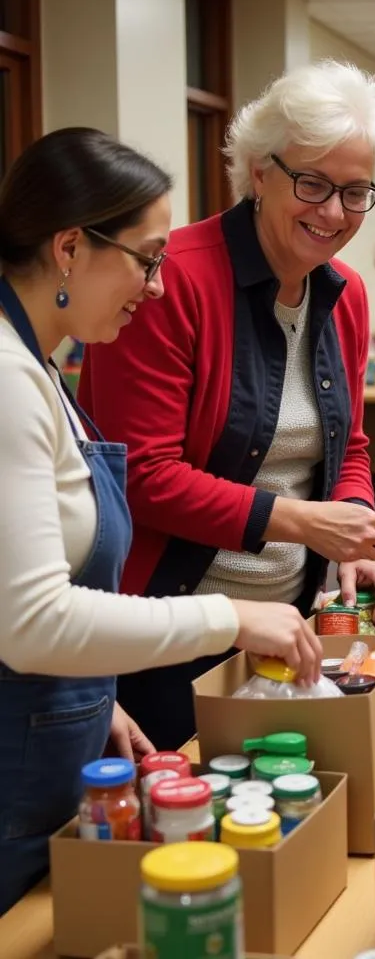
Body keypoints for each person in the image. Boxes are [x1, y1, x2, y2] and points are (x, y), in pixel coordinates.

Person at [0, 128, 320, 913]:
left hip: (56, 746)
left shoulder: (43, 365)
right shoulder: (7, 380)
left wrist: (94, 699)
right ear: (70, 247)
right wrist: (230, 617)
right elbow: (32, 619)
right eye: (147, 260)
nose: (158, 286)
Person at [80, 62, 375, 751]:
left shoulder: (344, 292)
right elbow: (141, 475)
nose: (332, 213)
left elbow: (346, 444)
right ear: (260, 173)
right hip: (172, 630)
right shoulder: (171, 281)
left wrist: (353, 541)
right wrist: (304, 523)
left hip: (292, 620)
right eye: (312, 183)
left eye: (355, 193)